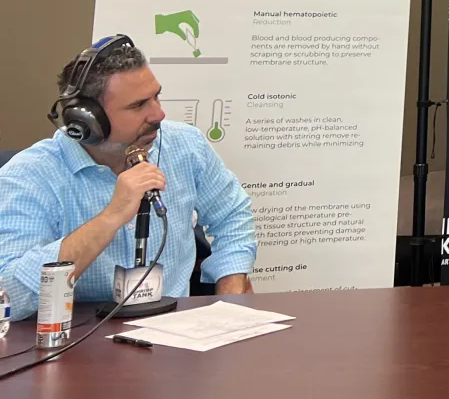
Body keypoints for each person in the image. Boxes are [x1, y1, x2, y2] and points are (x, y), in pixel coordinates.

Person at [0, 35, 258, 319]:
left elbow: (232, 215)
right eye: (138, 106)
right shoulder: (29, 176)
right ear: (87, 120)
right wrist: (111, 217)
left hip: (175, 337)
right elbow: (10, 297)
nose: (158, 114)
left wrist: (230, 298)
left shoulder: (185, 146)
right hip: (79, 342)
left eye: (156, 96)